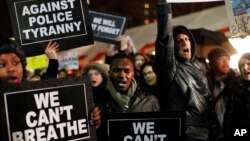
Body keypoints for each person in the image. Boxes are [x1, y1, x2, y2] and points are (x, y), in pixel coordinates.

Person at [154, 1, 211, 140]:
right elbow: (164, 39)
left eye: (187, 39)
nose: (185, 43)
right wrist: (164, 7)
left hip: (205, 130)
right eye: (179, 40)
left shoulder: (199, 66)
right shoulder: (171, 67)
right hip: (185, 130)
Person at [97, 53, 160, 140]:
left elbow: (157, 132)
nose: (122, 75)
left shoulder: (150, 100)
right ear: (109, 73)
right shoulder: (98, 102)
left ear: (133, 74)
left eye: (127, 71)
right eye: (116, 70)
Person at [207, 47, 239, 141]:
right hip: (213, 133)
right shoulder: (204, 83)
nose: (226, 62)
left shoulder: (237, 82)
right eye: (221, 59)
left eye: (227, 59)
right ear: (212, 64)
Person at [223, 52, 250, 141]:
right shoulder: (235, 87)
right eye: (242, 65)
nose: (245, 68)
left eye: (249, 64)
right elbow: (229, 116)